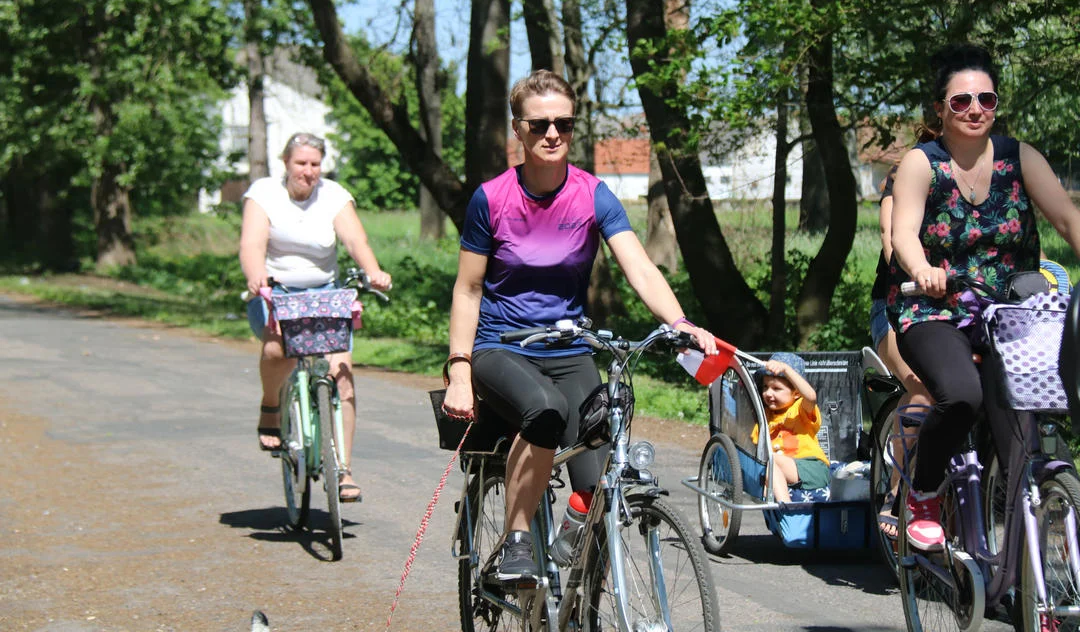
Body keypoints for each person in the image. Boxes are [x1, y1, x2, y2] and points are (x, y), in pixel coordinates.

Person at [441, 69, 719, 582]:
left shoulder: (593, 195)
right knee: (544, 410)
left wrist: (678, 321)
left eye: (564, 124)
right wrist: (459, 369)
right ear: (518, 130)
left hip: (570, 348)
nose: (553, 134)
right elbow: (469, 289)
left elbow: (639, 266)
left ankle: (568, 554)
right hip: (502, 348)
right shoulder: (492, 199)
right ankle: (518, 542)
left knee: (600, 476)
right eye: (540, 123)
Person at [888, 44, 1080, 551]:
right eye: (961, 101)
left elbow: (1066, 217)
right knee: (963, 395)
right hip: (935, 306)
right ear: (940, 110)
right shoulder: (921, 163)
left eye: (986, 99)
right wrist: (923, 269)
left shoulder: (1020, 157)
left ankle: (1015, 573)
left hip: (1012, 311)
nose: (975, 109)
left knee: (1025, 419)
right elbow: (904, 231)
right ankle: (924, 491)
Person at [239, 132, 391, 503]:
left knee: (342, 375)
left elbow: (356, 242)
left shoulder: (334, 196)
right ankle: (272, 405)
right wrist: (255, 274)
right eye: (300, 163)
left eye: (314, 164)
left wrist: (373, 271)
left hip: (324, 296)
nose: (307, 172)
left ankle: (343, 469)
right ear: (286, 163)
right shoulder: (264, 194)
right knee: (278, 353)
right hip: (276, 293)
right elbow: (251, 243)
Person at [869, 161, 932, 538]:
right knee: (921, 387)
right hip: (895, 307)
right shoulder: (894, 199)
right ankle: (896, 491)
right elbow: (891, 242)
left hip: (949, 311)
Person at [751, 353, 830, 504]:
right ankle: (778, 505)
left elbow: (811, 397)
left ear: (796, 393)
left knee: (771, 462)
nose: (768, 393)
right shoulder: (764, 416)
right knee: (765, 463)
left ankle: (787, 507)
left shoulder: (800, 409)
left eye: (776, 388)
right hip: (780, 469)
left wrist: (786, 370)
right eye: (765, 387)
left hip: (812, 467)